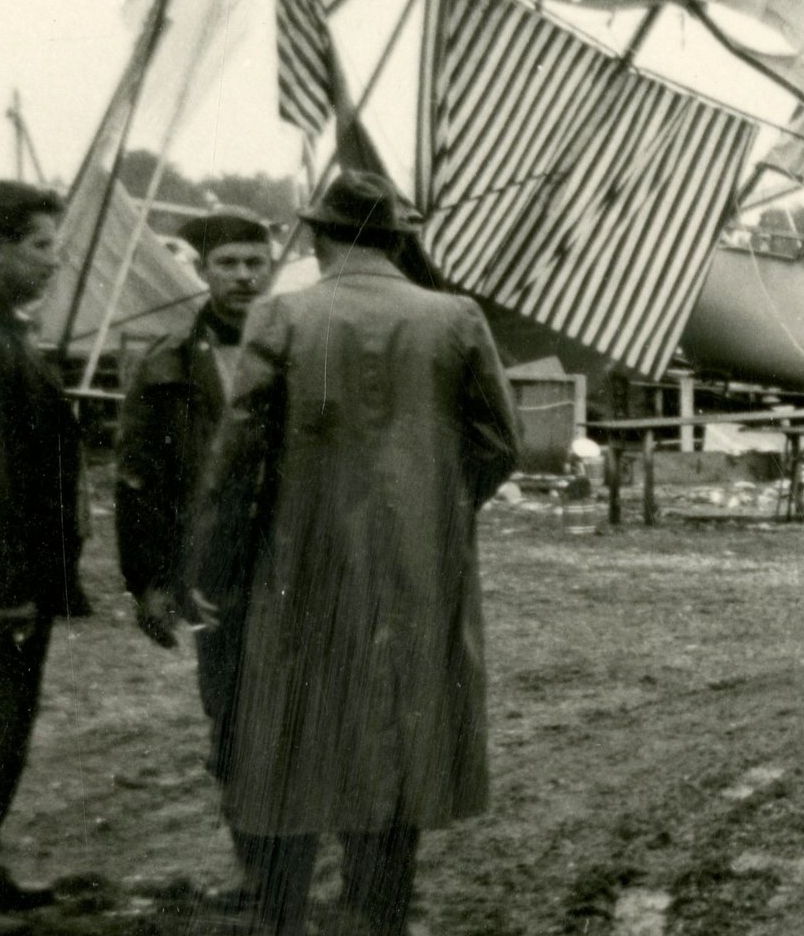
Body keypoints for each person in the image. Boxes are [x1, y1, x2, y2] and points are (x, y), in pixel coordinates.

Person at [186, 172, 519, 936]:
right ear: (399, 236)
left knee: (296, 728)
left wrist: (216, 566)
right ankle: (379, 914)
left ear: (316, 235)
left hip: (299, 562)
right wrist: (437, 507)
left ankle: (284, 917)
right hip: (421, 566)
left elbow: (238, 456)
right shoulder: (456, 316)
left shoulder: (284, 316)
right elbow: (499, 444)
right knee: (400, 724)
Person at [114, 207, 275, 910]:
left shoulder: (303, 351)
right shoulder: (169, 363)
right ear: (202, 271)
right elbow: (139, 480)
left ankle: (302, 863)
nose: (243, 276)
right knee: (234, 720)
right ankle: (260, 868)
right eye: (227, 264)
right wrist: (148, 581)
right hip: (217, 579)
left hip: (299, 569)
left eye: (253, 261)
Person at [0, 181, 89, 932]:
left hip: (10, 578)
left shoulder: (1, 331)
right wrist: (9, 583)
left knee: (0, 729)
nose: (57, 260)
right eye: (41, 245)